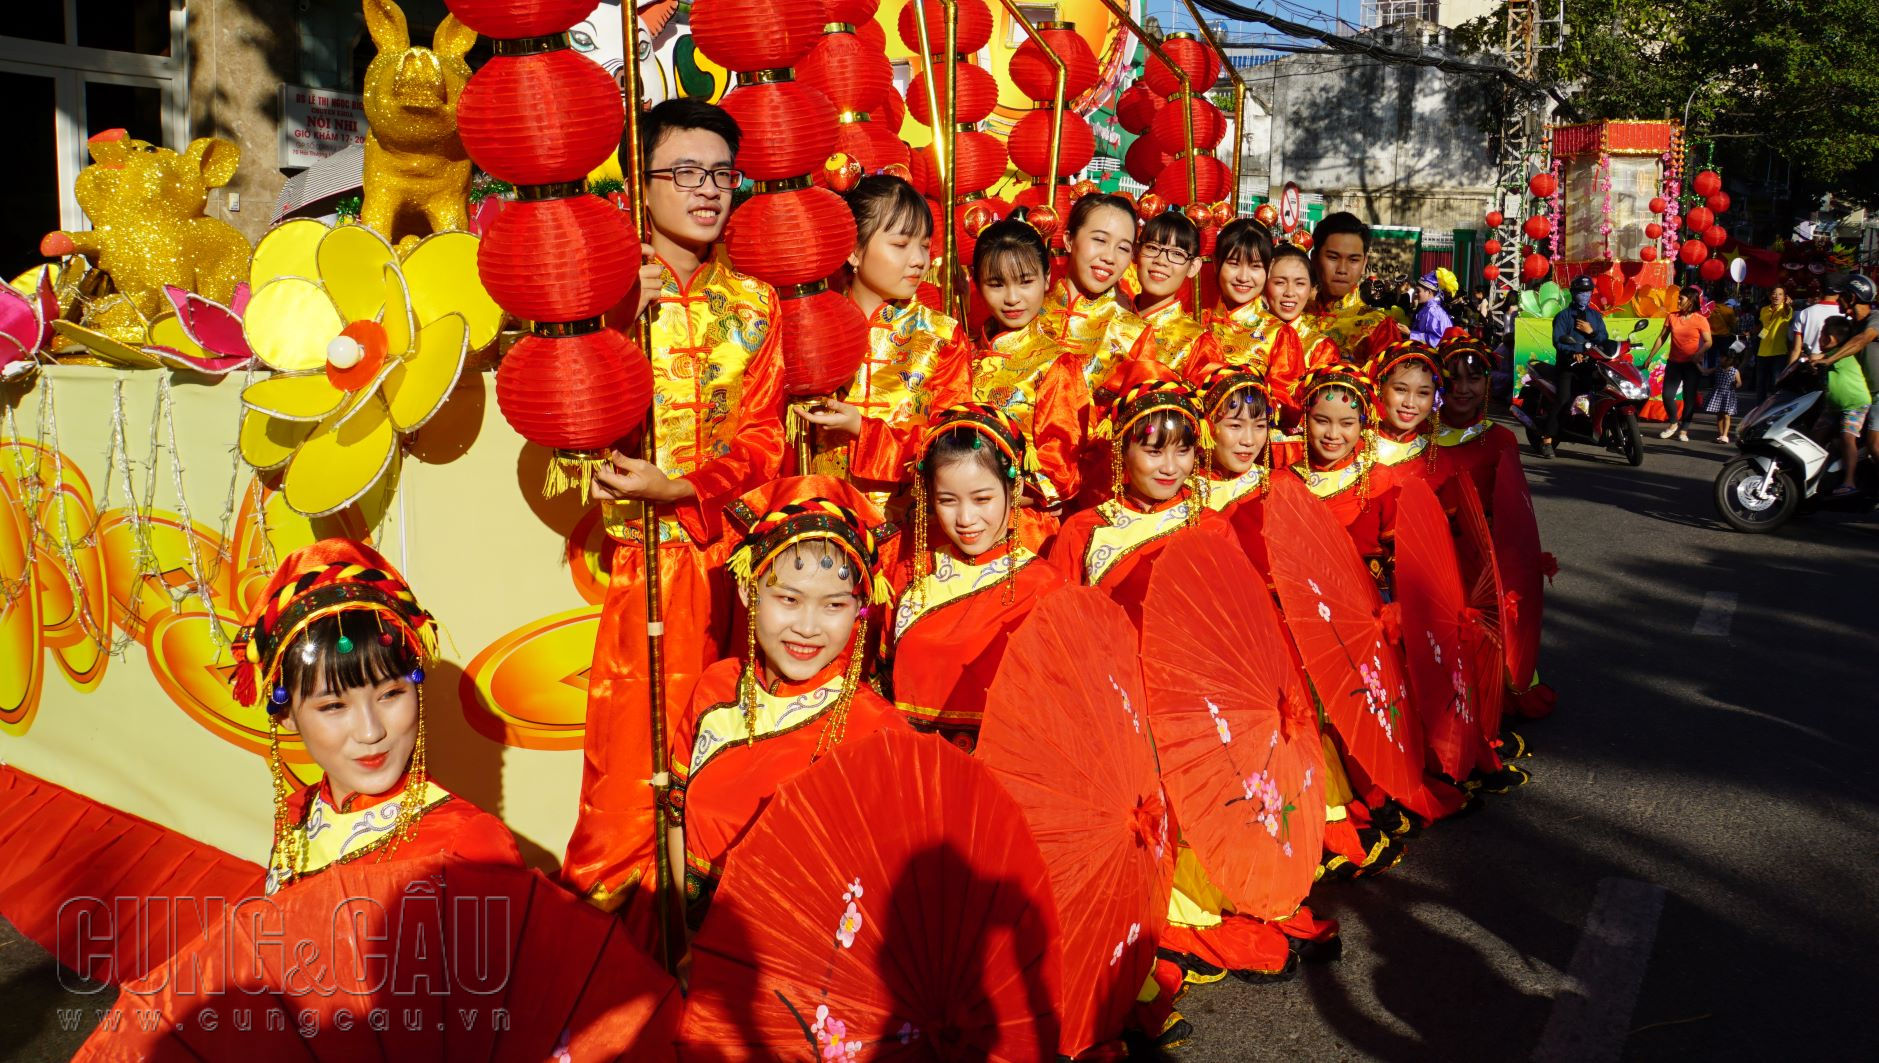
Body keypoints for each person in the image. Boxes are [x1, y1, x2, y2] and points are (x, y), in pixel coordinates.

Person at [565, 98, 786, 936]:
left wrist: (686, 489)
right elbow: (555, 421)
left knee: (725, 749)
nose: (706, 191)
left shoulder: (759, 306)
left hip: (728, 562)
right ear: (640, 182)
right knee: (628, 767)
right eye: (683, 173)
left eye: (721, 174)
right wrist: (614, 320)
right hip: (624, 567)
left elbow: (767, 437)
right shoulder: (596, 299)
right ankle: (616, 950)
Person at [666, 477, 908, 930]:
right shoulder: (716, 690)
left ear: (861, 609)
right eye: (789, 599)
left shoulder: (878, 732)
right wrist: (684, 941)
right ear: (747, 589)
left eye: (834, 605)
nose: (808, 627)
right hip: (703, 959)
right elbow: (676, 819)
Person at [885, 404, 1066, 751]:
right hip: (916, 770)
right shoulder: (910, 576)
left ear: (1015, 489)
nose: (966, 518)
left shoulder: (1048, 588)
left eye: (982, 499)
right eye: (947, 500)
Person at [795, 174, 972, 509]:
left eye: (923, 244)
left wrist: (863, 430)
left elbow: (951, 443)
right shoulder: (812, 328)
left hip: (906, 527)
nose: (919, 260)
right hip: (825, 528)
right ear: (854, 250)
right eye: (901, 244)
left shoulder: (942, 337)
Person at [970, 211, 1085, 507]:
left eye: (1025, 282)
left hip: (1023, 523)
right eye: (996, 284)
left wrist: (991, 498)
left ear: (1047, 279)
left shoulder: (1056, 363)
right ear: (976, 282)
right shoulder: (962, 354)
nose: (1012, 298)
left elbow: (1060, 467)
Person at [1039, 192, 1154, 395]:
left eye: (1123, 248)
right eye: (1100, 240)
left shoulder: (1135, 335)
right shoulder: (1026, 313)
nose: (1109, 257)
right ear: (1068, 240)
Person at [1807, 275, 1879, 496]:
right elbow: (1832, 341)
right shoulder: (1851, 325)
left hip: (1876, 395)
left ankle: (1853, 483)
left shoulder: (1874, 319)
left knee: (1874, 445)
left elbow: (1862, 340)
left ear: (1852, 297)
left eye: (1842, 297)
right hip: (1853, 393)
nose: (1838, 302)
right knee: (1820, 431)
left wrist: (1829, 358)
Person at [1431, 334, 1520, 509]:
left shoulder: (1502, 440)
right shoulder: (1417, 433)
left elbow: (1511, 509)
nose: (1462, 389)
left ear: (1487, 382)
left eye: (1473, 379)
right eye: (1454, 378)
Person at [1309, 212, 1404, 363]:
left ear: (1364, 263)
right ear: (1314, 258)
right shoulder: (1293, 316)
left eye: (1353, 260)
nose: (1342, 269)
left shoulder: (1378, 327)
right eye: (1333, 257)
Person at [1131, 207, 1218, 374]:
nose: (1161, 260)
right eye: (1152, 248)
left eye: (1177, 253)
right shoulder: (1108, 320)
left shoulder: (1199, 343)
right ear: (1136, 252)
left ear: (1193, 267)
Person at [1541, 275, 1608, 458]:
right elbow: (1558, 341)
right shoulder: (1562, 316)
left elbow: (1603, 338)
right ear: (1573, 293)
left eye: (1588, 292)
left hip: (1590, 366)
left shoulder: (1595, 316)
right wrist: (1573, 352)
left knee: (1602, 394)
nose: (1584, 295)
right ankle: (1547, 439)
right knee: (1563, 399)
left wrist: (1591, 331)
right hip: (1568, 366)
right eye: (1580, 292)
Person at [1205, 217, 1275, 364]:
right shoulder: (1196, 323)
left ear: (1270, 268)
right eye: (1233, 264)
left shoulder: (1280, 336)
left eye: (1255, 266)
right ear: (1216, 263)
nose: (1243, 277)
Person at [1647, 285, 1712, 441]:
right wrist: (1650, 356)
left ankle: (1684, 429)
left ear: (1690, 301)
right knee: (1667, 395)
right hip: (1674, 363)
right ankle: (1673, 423)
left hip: (1691, 365)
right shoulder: (1672, 316)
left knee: (1689, 397)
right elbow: (1661, 338)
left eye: (1681, 298)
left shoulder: (1700, 320)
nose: (1678, 300)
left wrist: (1698, 354)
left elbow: (1709, 342)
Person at [1370, 339, 1442, 477]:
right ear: (1380, 388)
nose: (1410, 403)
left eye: (1423, 393)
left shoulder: (1438, 461)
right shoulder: (1348, 447)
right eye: (1401, 389)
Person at [1409, 269, 1457, 346]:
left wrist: (1410, 333)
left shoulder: (1432, 311)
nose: (1416, 294)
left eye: (1418, 291)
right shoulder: (1427, 308)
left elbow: (1435, 341)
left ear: (1429, 292)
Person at [1703, 350, 1743, 443]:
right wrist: (1697, 363)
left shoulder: (1734, 371)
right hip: (1718, 393)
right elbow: (1706, 371)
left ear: (1729, 360)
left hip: (1728, 394)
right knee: (1719, 415)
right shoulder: (1718, 368)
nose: (1720, 359)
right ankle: (1721, 435)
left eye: (1722, 357)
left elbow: (1740, 382)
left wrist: (1736, 384)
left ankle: (1725, 435)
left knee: (1726, 415)